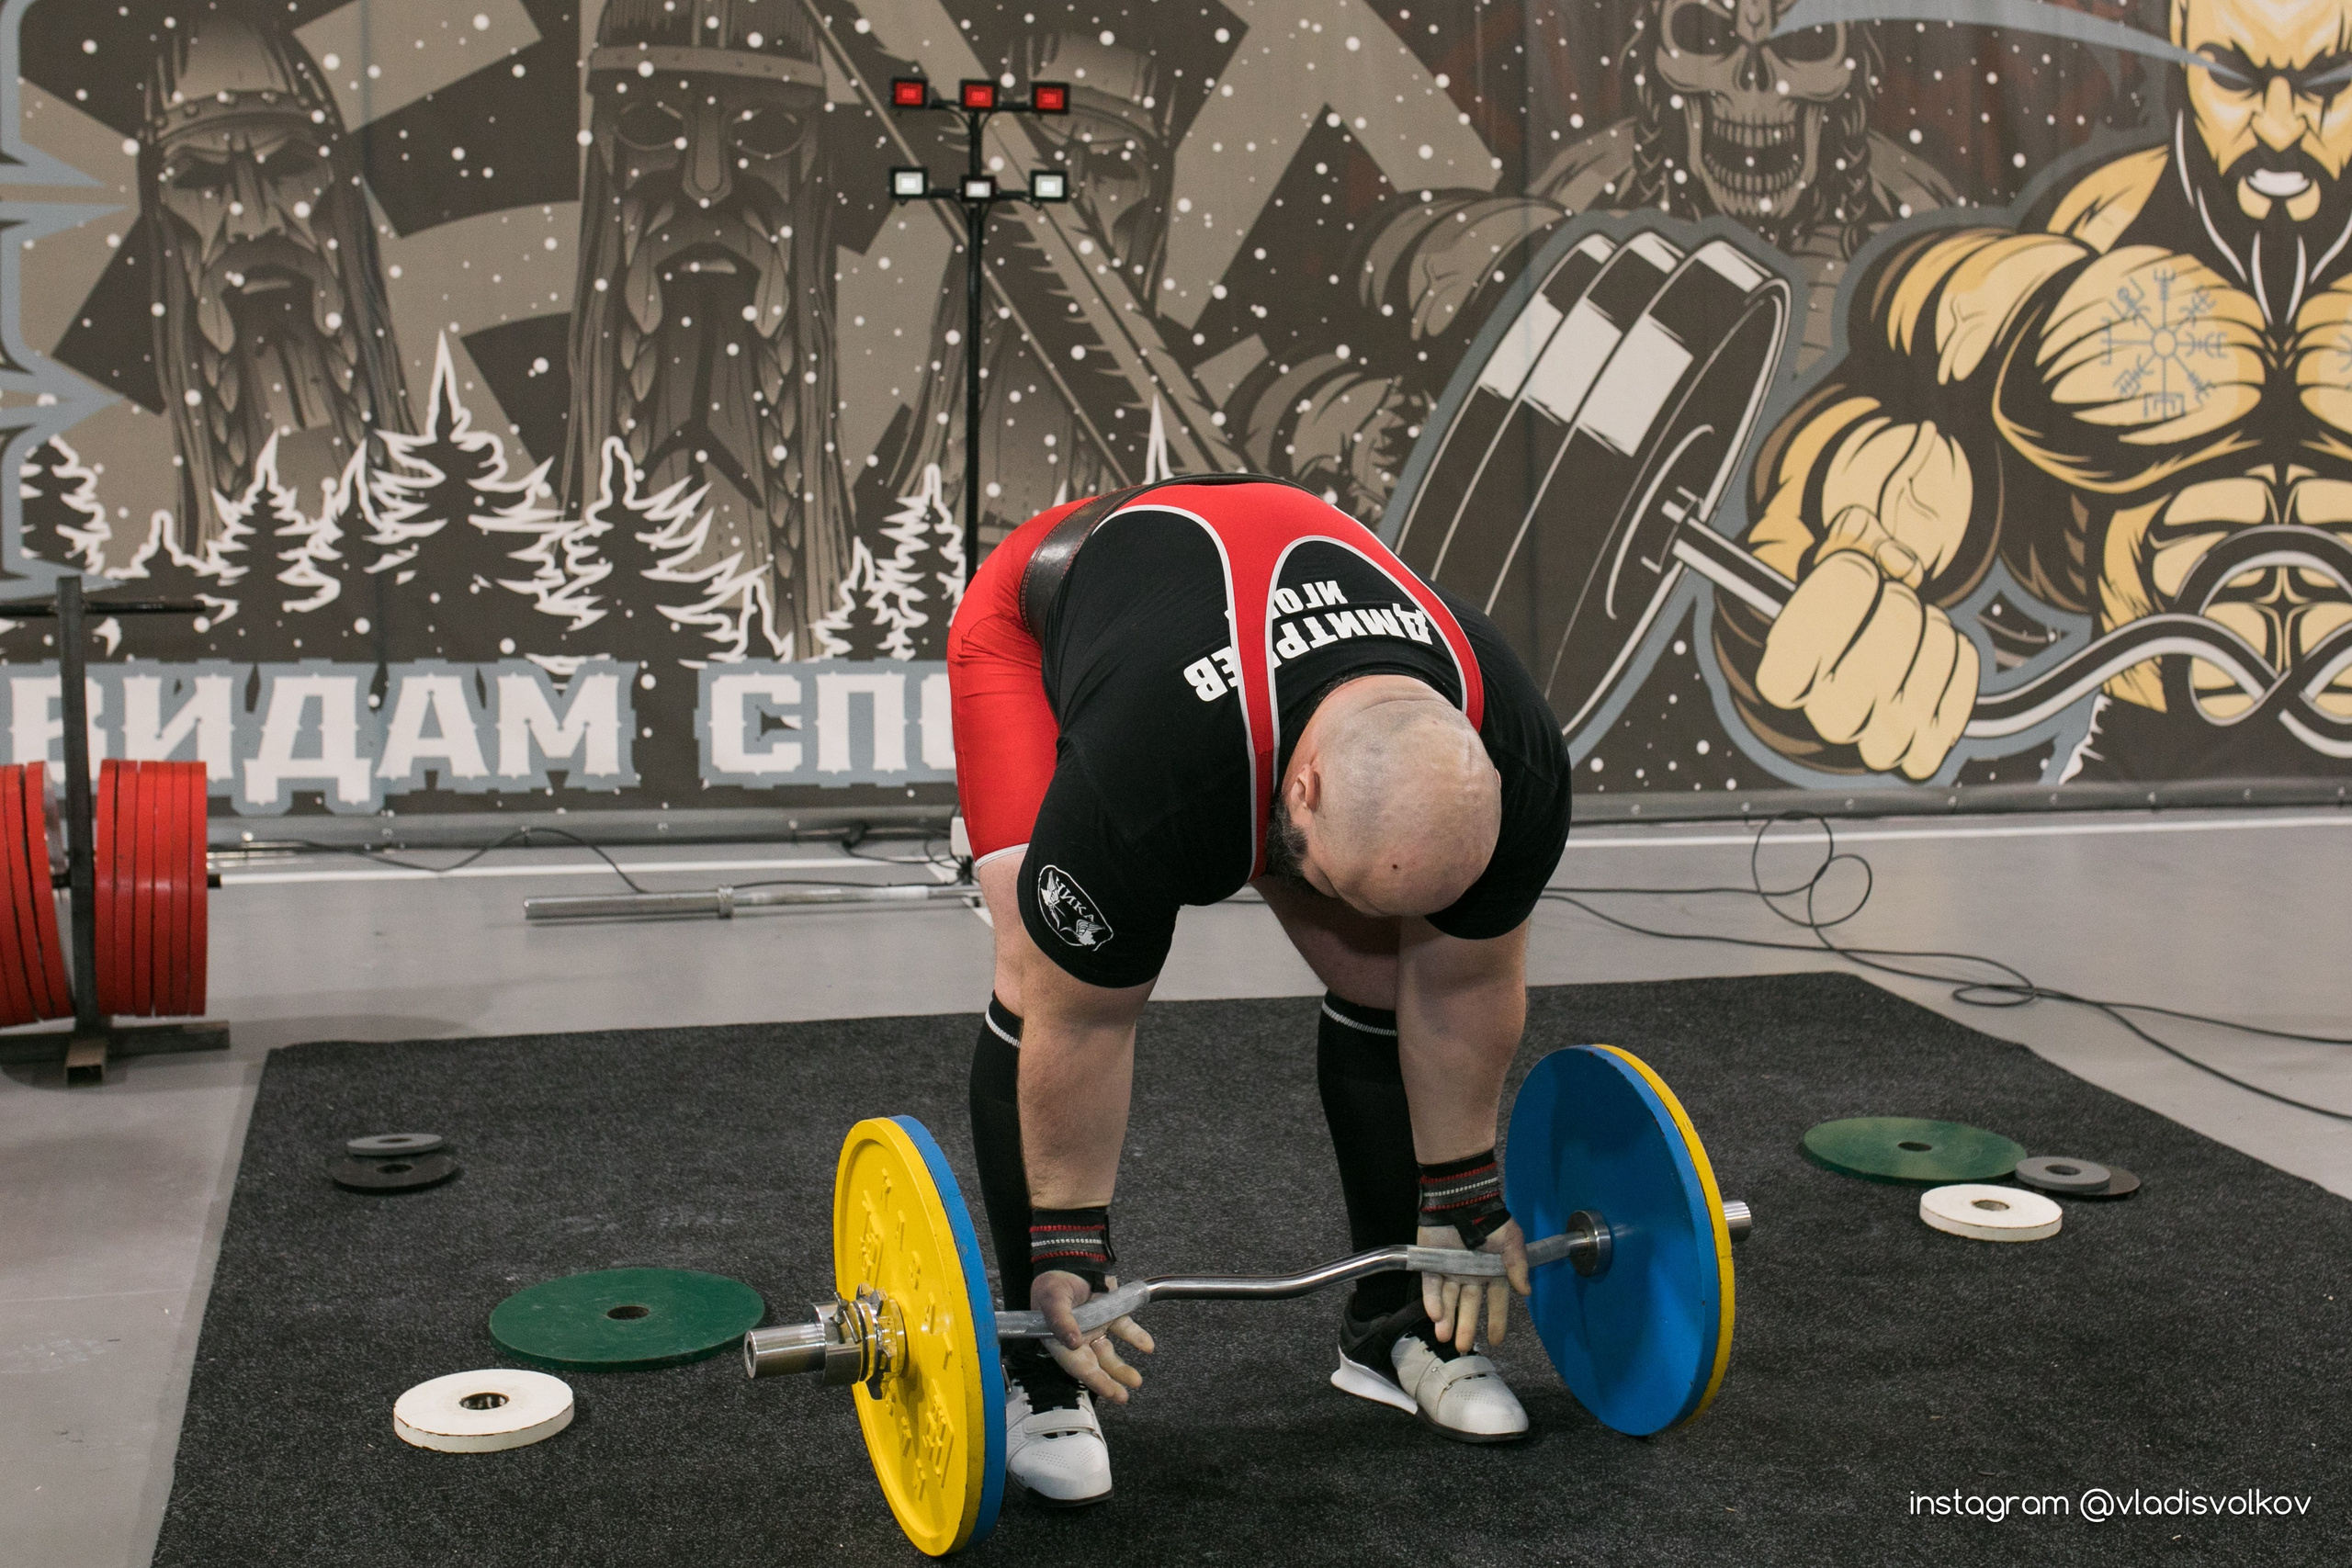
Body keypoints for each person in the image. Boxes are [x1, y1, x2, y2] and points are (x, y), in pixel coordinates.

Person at [945, 474, 1574, 1506]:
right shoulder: (1146, 773)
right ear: (1304, 792)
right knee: (1039, 963)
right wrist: (1069, 1243)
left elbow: (1463, 986)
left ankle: (1388, 1330)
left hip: (1268, 679)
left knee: (1382, 967)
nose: (1305, 896)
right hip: (1043, 616)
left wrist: (1460, 1193)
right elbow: (1085, 1021)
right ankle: (1040, 1360)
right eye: (1321, 874)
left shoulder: (1515, 753)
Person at [1714, 0, 2352, 784]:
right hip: (2145, 769)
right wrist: (1843, 561)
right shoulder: (2093, 238)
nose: (2284, 126)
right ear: (2183, 40)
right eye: (2237, 76)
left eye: (2329, 76)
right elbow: (1908, 406)